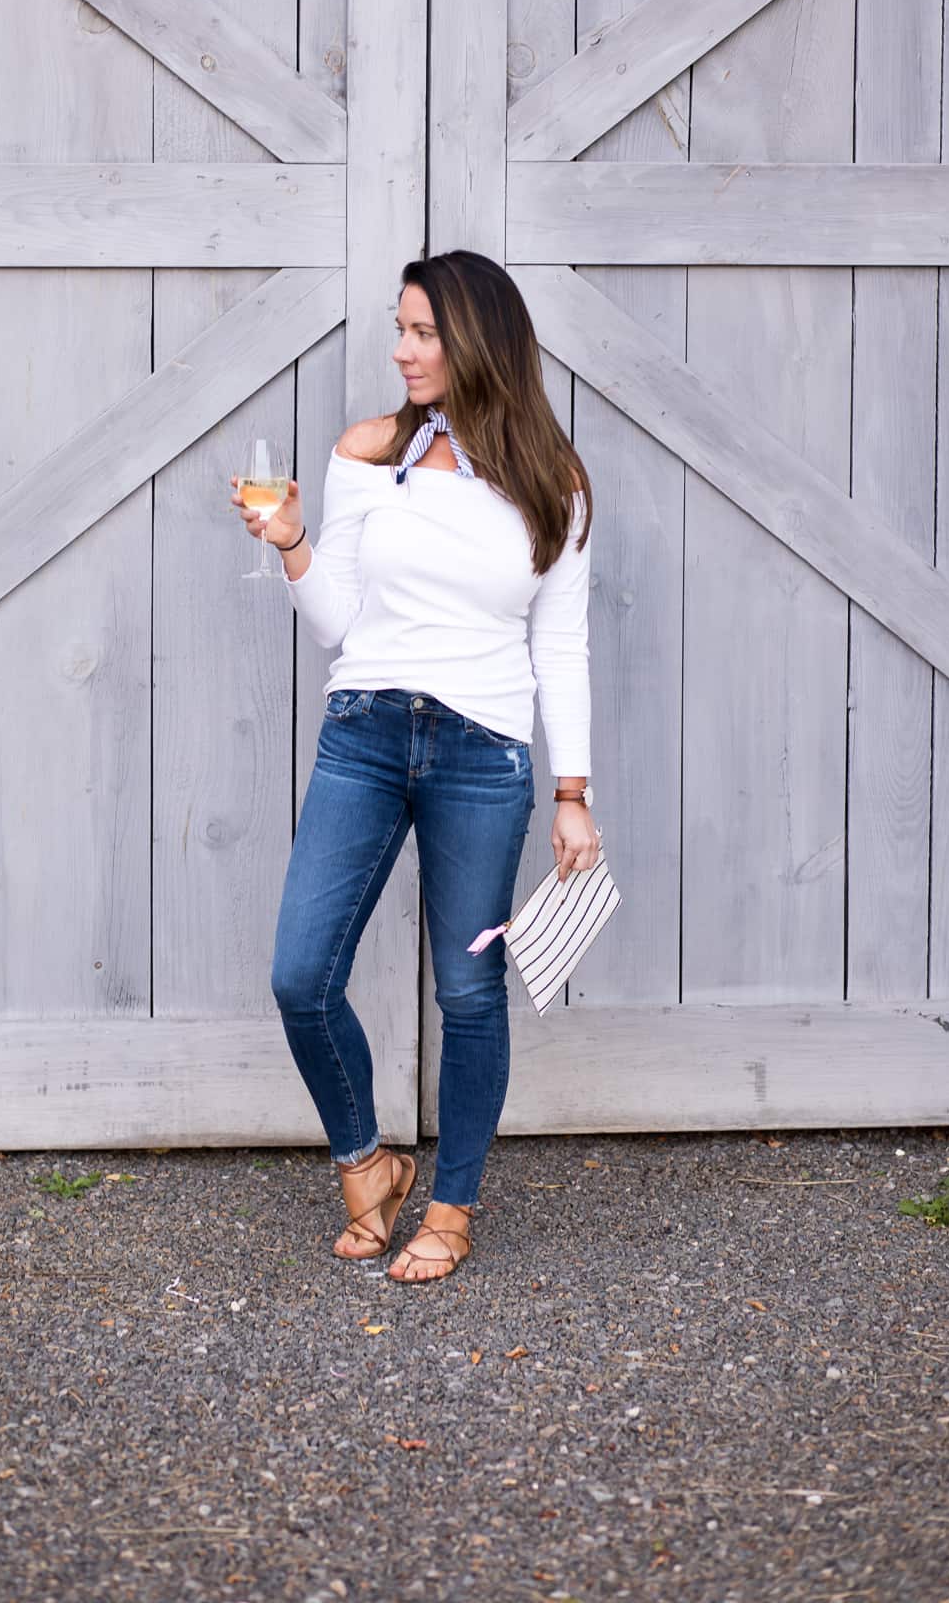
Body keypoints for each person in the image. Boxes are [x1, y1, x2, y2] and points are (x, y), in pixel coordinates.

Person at [229, 250, 601, 1283]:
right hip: (363, 732)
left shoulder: (550, 482)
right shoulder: (364, 453)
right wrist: (294, 543)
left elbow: (558, 647)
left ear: (480, 339)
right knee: (301, 974)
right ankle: (367, 1163)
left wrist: (570, 795)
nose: (401, 350)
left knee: (468, 993)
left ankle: (450, 1206)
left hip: (482, 755)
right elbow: (339, 623)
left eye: (424, 333)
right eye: (400, 328)